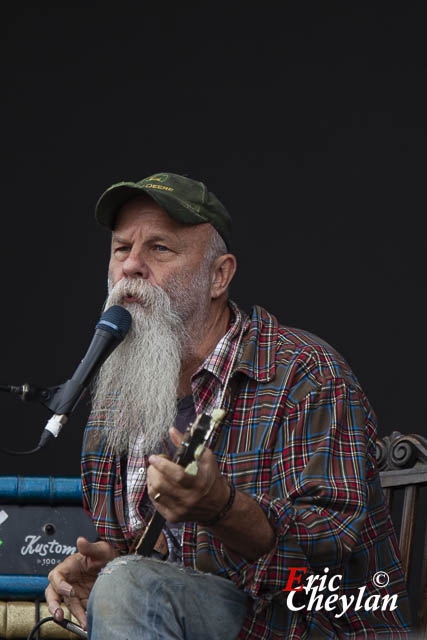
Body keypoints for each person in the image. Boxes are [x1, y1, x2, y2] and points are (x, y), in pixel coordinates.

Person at [46, 172, 412, 639]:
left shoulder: (305, 373)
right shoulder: (115, 400)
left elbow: (332, 547)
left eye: (160, 248)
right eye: (122, 248)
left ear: (219, 276)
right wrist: (111, 570)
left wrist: (221, 508)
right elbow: (154, 564)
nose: (132, 266)